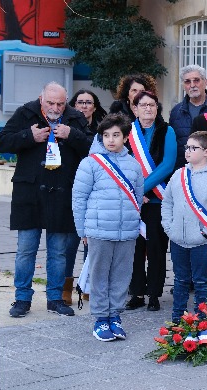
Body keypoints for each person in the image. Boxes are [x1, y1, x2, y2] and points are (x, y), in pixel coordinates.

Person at [0, 81, 92, 318]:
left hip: (62, 193)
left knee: (58, 251)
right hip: (29, 193)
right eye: (51, 103)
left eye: (60, 103)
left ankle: (55, 298)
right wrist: (29, 136)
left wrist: (73, 135)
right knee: (25, 250)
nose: (56, 108)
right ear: (41, 99)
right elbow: (1, 142)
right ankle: (22, 298)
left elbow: (92, 149)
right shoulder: (25, 112)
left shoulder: (76, 117)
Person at [72, 113, 144, 341]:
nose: (111, 140)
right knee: (100, 275)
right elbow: (79, 198)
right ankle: (101, 319)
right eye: (106, 135)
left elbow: (138, 197)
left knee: (122, 275)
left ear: (125, 137)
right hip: (99, 230)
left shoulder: (133, 165)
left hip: (127, 232)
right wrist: (82, 230)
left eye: (116, 135)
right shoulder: (90, 163)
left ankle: (115, 316)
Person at [162, 131, 207, 323]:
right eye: (187, 147)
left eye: (194, 148)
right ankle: (178, 318)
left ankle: (201, 319)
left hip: (201, 240)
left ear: (206, 151)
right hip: (177, 239)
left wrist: (206, 232)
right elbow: (167, 202)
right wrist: (169, 227)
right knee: (180, 280)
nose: (188, 151)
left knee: (201, 282)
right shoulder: (179, 174)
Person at [124, 91, 177, 312]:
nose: (148, 109)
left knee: (156, 248)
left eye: (152, 105)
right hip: (132, 202)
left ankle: (154, 294)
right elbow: (120, 163)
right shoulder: (126, 132)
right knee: (134, 249)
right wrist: (135, 193)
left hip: (156, 201)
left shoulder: (167, 131)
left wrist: (140, 188)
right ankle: (136, 292)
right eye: (143, 105)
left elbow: (168, 164)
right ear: (134, 109)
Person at [63, 89, 108, 305]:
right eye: (79, 102)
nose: (84, 106)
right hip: (72, 189)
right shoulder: (64, 126)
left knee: (92, 243)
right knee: (70, 241)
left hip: (97, 192)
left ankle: (89, 284)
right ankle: (67, 287)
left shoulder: (102, 130)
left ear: (95, 106)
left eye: (88, 102)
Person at [170, 65, 207, 170]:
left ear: (205, 82)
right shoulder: (176, 112)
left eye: (196, 80)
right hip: (184, 173)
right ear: (183, 85)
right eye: (187, 82)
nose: (192, 85)